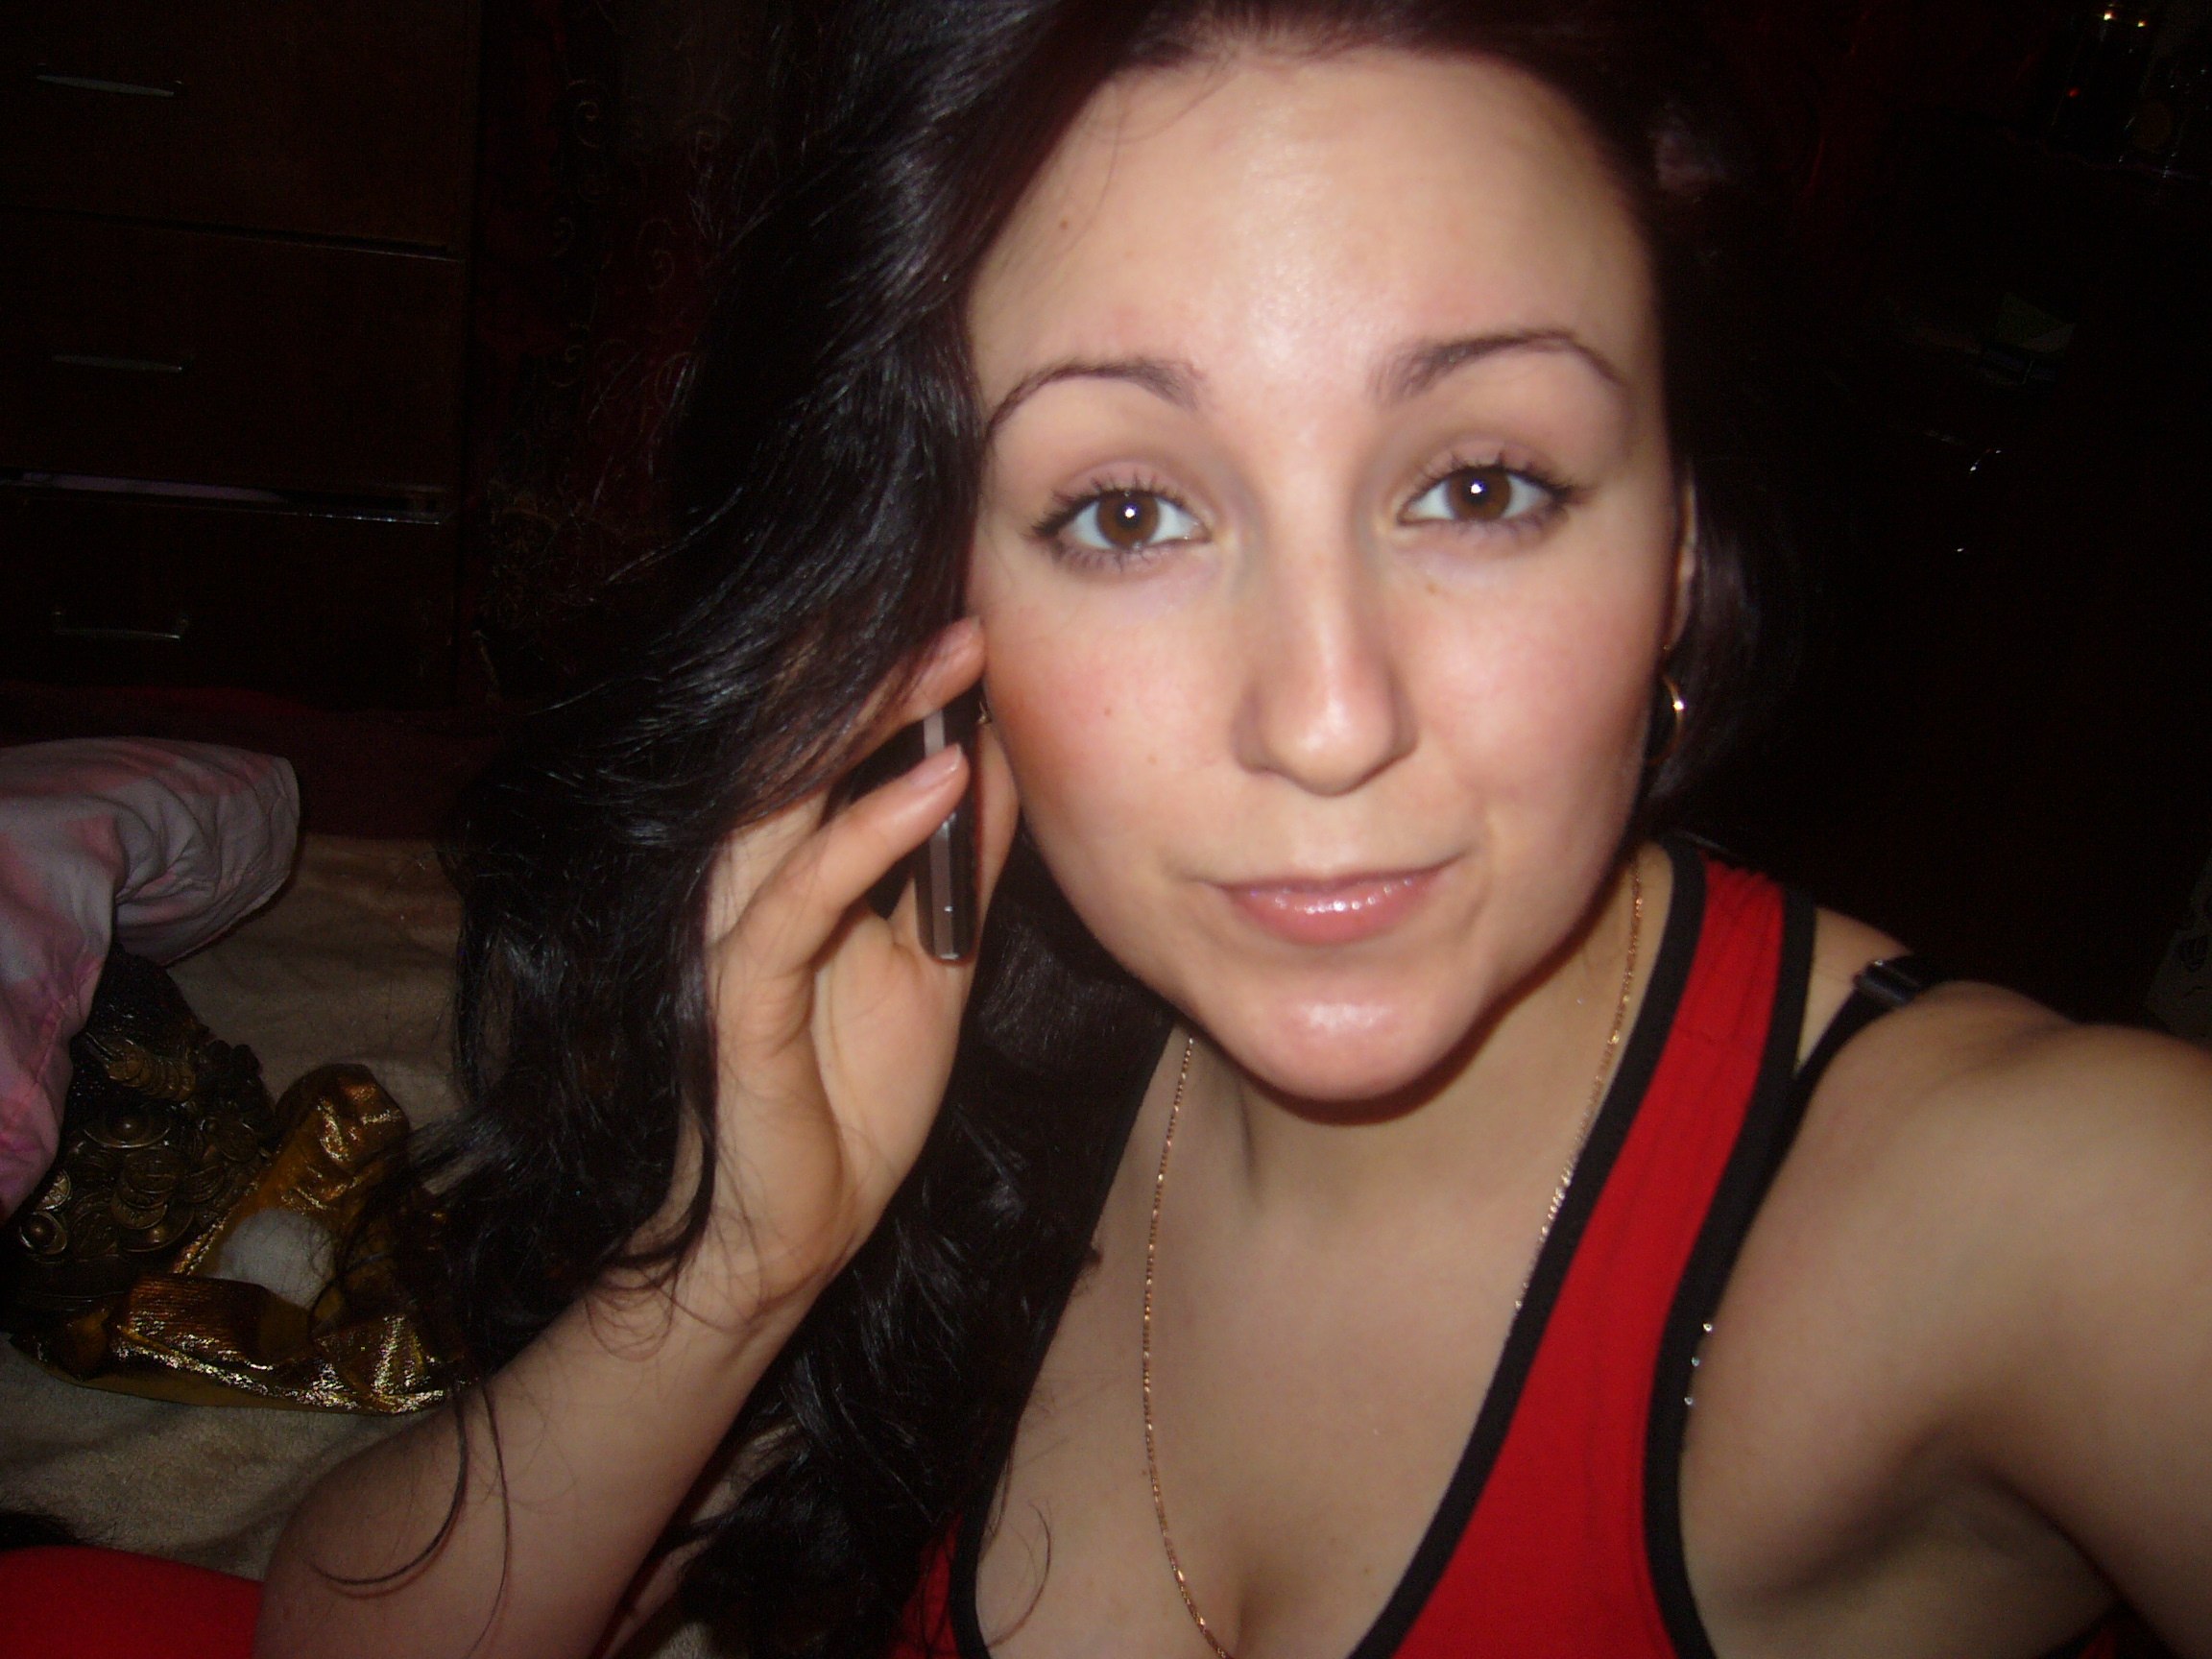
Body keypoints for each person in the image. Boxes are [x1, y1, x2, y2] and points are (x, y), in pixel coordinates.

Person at [252, 3, 2212, 1657]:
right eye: (1129, 513)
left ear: (1681, 547)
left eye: (1480, 486)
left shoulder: (2054, 1220)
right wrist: (742, 1258)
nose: (1327, 720)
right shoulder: (989, 1055)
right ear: (942, 599)